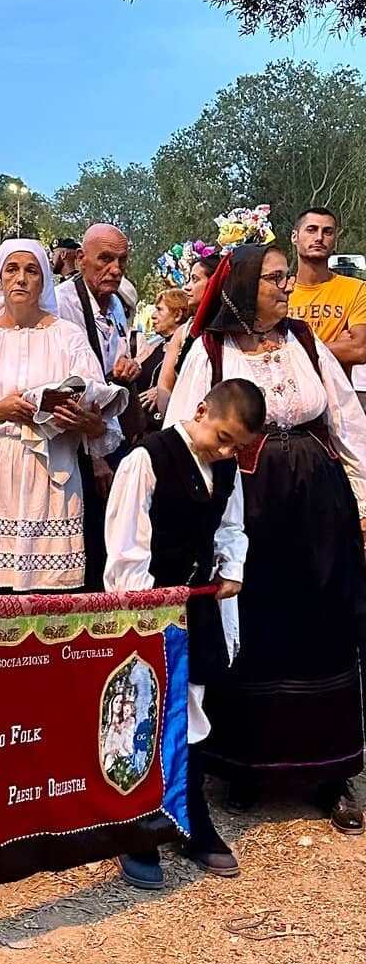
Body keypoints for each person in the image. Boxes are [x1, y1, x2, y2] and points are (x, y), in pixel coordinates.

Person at [166, 243, 366, 833]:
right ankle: (248, 768)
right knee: (252, 623)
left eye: (285, 278)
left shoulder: (306, 342)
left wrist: (364, 495)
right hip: (246, 503)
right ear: (246, 286)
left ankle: (332, 774)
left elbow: (346, 419)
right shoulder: (211, 351)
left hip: (317, 500)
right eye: (275, 278)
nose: (286, 287)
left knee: (324, 624)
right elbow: (186, 428)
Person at [106, 378, 266, 888]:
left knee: (192, 703)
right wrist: (147, 611)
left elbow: (229, 527)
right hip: (149, 609)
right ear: (201, 409)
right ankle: (135, 825)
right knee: (140, 710)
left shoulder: (226, 467)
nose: (226, 451)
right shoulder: (146, 460)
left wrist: (231, 568)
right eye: (223, 438)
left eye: (236, 446)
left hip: (196, 607)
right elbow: (126, 549)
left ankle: (190, 812)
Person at [0, 240, 125, 593]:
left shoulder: (68, 337)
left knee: (53, 592)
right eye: (12, 269)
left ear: (43, 281)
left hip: (54, 475)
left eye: (31, 270)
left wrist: (83, 420)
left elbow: (103, 424)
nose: (21, 279)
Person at [56, 224, 141, 485]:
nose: (116, 269)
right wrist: (96, 456)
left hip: (113, 432)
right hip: (78, 447)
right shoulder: (61, 305)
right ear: (81, 258)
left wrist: (127, 369)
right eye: (105, 258)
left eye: (122, 260)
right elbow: (63, 387)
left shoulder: (116, 304)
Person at [288, 206, 366, 375]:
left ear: (335, 241)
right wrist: (336, 345)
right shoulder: (281, 291)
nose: (319, 237)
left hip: (337, 398)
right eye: (311, 229)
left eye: (327, 232)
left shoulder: (356, 289)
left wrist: (292, 352)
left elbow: (360, 350)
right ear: (295, 236)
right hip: (290, 395)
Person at [157, 253, 223, 415]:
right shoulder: (184, 332)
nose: (186, 287)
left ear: (215, 282)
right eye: (188, 280)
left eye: (195, 280)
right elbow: (164, 386)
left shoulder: (235, 333)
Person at [134, 290, 189, 432]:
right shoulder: (155, 346)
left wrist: (165, 389)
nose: (153, 316)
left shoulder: (188, 350)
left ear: (177, 315)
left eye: (159, 310)